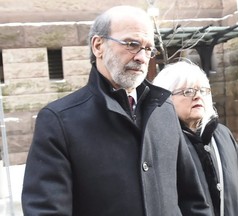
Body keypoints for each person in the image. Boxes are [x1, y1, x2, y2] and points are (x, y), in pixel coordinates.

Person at [22, 6, 212, 216]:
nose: (142, 57)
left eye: (148, 49)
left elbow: (192, 199)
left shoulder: (164, 108)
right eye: (132, 44)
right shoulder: (59, 120)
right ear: (98, 46)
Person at [153, 60, 238, 216]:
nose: (198, 96)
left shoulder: (222, 135)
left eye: (203, 90)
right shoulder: (159, 141)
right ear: (165, 97)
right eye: (188, 91)